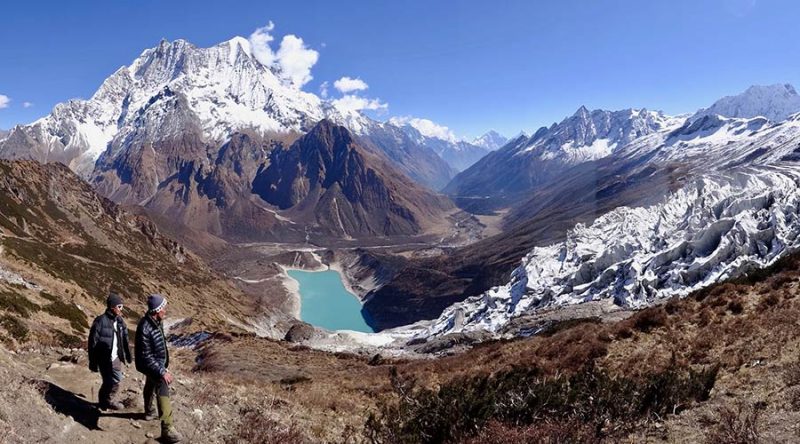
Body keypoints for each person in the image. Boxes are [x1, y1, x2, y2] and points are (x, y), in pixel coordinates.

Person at [135, 294, 182, 443]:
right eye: (164, 308)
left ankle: (149, 412)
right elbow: (146, 356)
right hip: (148, 363)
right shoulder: (145, 327)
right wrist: (162, 371)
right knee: (162, 383)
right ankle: (167, 429)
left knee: (150, 383)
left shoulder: (157, 321)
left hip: (156, 362)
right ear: (157, 310)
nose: (166, 311)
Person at [88, 293, 132, 411]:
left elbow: (125, 339)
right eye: (119, 306)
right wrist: (93, 362)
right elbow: (92, 342)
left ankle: (108, 399)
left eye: (122, 306)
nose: (121, 309)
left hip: (116, 358)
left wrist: (128, 355)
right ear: (112, 307)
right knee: (108, 382)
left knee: (117, 380)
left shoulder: (120, 321)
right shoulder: (100, 321)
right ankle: (104, 402)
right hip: (104, 359)